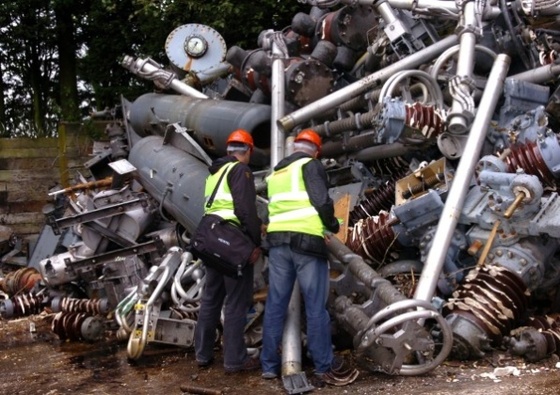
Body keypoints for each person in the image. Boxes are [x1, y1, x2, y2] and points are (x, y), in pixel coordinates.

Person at [260, 129, 353, 385]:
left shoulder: (275, 174)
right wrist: (333, 225)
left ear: (295, 148)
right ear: (316, 151)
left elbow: (274, 210)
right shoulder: (311, 166)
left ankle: (268, 365)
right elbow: (322, 201)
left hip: (278, 244)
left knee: (276, 304)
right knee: (315, 308)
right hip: (307, 243)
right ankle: (324, 366)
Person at [194, 129, 262, 374]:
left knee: (211, 298)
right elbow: (246, 211)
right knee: (236, 302)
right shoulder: (240, 170)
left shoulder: (215, 173)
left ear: (228, 150)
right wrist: (255, 243)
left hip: (212, 241)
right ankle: (235, 360)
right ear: (248, 151)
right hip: (232, 243)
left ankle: (202, 354)